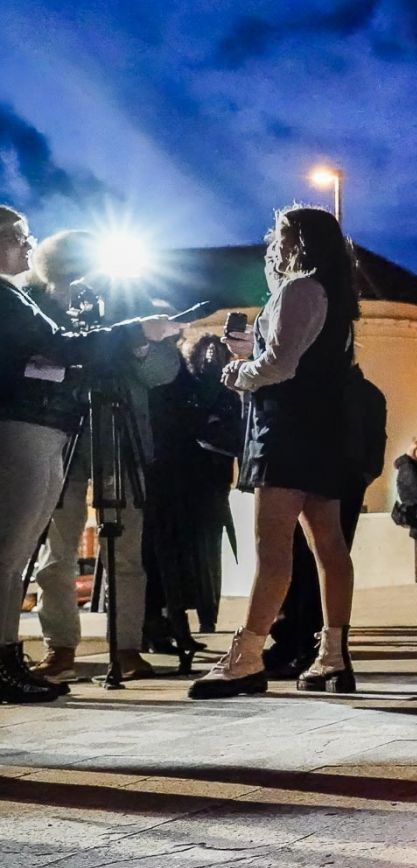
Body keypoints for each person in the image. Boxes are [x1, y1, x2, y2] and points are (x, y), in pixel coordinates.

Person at [0, 206, 185, 702]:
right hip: (50, 428)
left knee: (124, 546)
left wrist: (142, 347)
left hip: (114, 435)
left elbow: (164, 372)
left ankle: (124, 646)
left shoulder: (125, 299)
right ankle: (59, 645)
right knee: (50, 549)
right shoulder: (25, 299)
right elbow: (49, 349)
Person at [188, 205, 360, 699]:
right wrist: (255, 353)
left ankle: (246, 657)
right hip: (322, 430)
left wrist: (238, 372)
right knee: (328, 544)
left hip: (286, 431)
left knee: (273, 546)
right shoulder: (334, 294)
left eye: (279, 235)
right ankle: (332, 655)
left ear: (299, 241)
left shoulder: (300, 288)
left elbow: (281, 367)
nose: (272, 243)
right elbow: (299, 357)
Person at [265, 363, 386, 678]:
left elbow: (374, 446)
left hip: (332, 481)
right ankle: (307, 642)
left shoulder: (358, 393)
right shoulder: (363, 393)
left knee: (314, 561)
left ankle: (305, 642)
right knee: (319, 560)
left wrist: (358, 476)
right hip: (330, 480)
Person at [141, 335, 240, 659]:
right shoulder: (174, 388)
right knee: (166, 560)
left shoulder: (211, 392)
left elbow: (228, 433)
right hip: (172, 484)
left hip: (202, 488)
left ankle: (180, 626)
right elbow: (184, 428)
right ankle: (164, 627)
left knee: (190, 562)